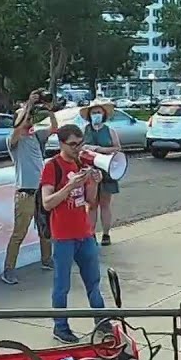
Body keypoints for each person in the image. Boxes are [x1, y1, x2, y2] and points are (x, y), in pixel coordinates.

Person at [41, 124, 109, 344]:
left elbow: (90, 200)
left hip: (84, 233)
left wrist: (94, 183)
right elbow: (47, 202)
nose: (77, 148)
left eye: (80, 143)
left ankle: (102, 321)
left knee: (93, 281)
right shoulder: (52, 167)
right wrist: (69, 186)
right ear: (61, 144)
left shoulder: (82, 163)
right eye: (72, 144)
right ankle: (60, 327)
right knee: (62, 285)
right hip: (63, 236)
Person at [3, 90, 58, 285]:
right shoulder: (14, 141)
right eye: (24, 117)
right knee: (20, 233)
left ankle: (47, 260)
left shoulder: (35, 137)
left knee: (45, 228)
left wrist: (49, 110)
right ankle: (8, 269)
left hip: (40, 191)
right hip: (25, 193)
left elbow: (54, 128)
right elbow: (17, 129)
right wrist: (28, 105)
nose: (28, 120)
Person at [81, 100, 122, 247]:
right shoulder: (84, 130)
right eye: (93, 113)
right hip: (90, 171)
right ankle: (90, 234)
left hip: (107, 171)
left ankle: (106, 234)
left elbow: (117, 148)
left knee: (105, 204)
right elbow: (80, 148)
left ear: (104, 114)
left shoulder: (110, 131)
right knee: (91, 205)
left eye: (99, 112)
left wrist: (98, 149)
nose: (96, 115)